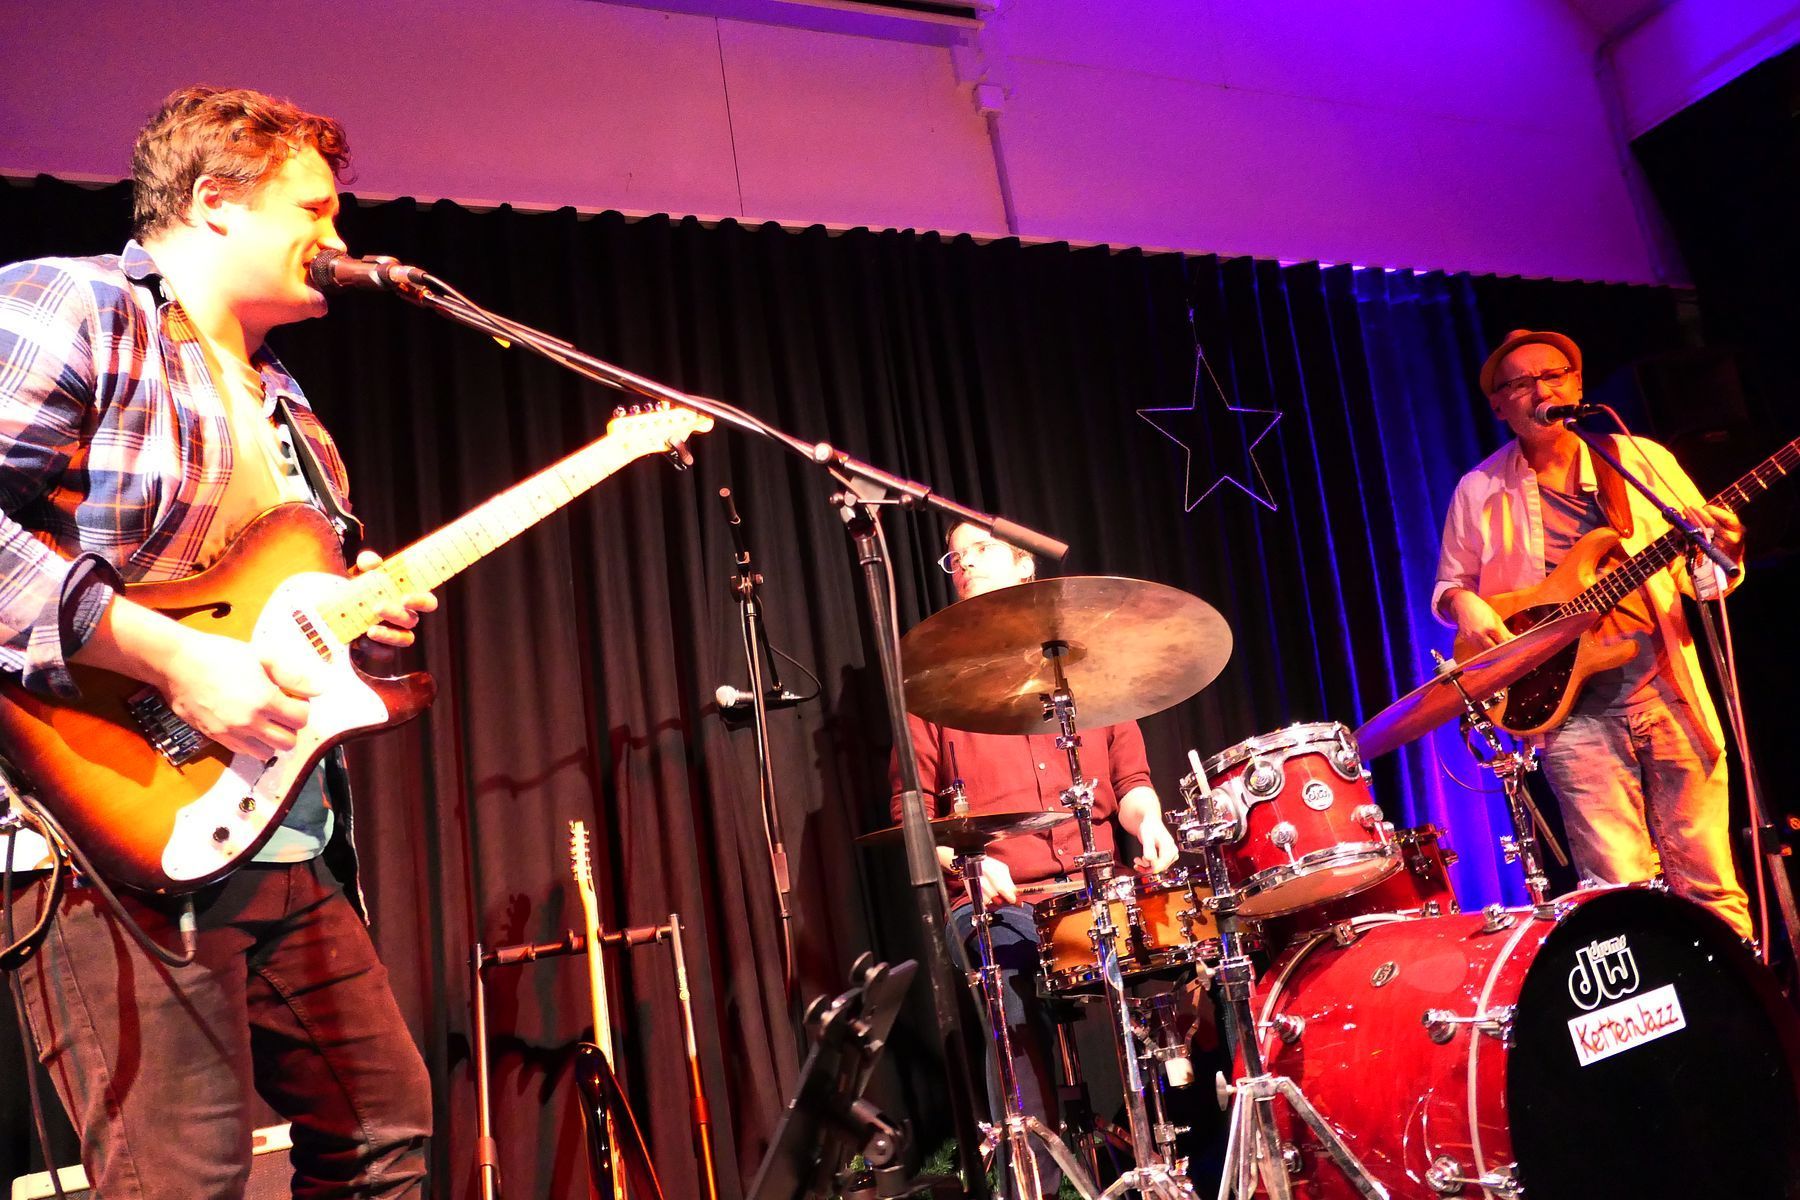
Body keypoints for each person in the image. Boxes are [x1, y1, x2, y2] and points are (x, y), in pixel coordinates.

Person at [0, 86, 437, 1196]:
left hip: (277, 831)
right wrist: (174, 660)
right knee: (184, 1180)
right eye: (315, 208)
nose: (337, 236)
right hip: (103, 838)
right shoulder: (75, 304)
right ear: (215, 203)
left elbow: (261, 626)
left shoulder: (292, 409)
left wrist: (361, 631)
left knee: (384, 1138)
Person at [889, 520, 1181, 1191]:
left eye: (981, 549)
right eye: (955, 557)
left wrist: (1150, 824)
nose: (965, 563)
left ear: (1025, 567)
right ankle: (1033, 1178)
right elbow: (912, 816)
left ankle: (1167, 1152)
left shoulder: (1088, 671)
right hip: (998, 899)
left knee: (1189, 951)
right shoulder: (931, 690)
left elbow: (1132, 784)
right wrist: (966, 860)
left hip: (1098, 890)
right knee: (1010, 981)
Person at [1434, 328, 1752, 938]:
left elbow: (1704, 580)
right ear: (1498, 406)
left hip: (1670, 691)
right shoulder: (1479, 489)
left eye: (1553, 376)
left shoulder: (1640, 460)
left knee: (1710, 880)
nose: (1541, 391)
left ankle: (1738, 989)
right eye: (1521, 384)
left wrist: (1725, 548)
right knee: (1619, 888)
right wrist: (1463, 602)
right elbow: (1450, 586)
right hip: (1570, 712)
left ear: (1577, 385)